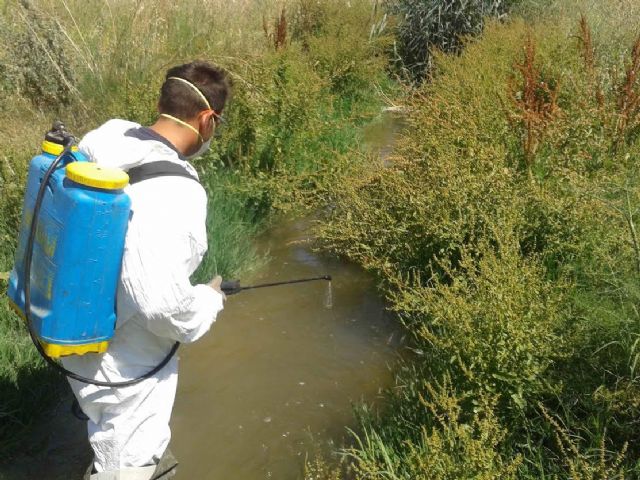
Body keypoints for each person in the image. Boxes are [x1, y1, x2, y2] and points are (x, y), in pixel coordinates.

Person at [61, 61, 231, 480]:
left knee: (103, 430)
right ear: (208, 120)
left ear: (163, 102)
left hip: (69, 324)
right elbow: (160, 307)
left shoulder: (110, 134)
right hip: (123, 364)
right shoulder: (177, 192)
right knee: (128, 462)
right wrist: (209, 300)